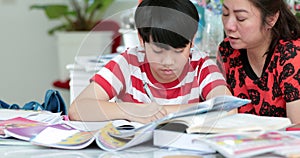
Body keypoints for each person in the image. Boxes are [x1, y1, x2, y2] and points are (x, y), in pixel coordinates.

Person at [68, 0, 232, 123]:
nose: (168, 61)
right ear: (141, 39)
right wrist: (130, 110)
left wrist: (156, 112)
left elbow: (229, 109)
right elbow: (77, 109)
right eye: (158, 51)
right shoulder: (128, 63)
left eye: (178, 51)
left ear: (192, 40)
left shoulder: (201, 65)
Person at [217, 0, 300, 123]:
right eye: (225, 14)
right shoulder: (227, 51)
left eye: (241, 18)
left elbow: (297, 130)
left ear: (271, 19)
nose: (229, 26)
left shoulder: (291, 54)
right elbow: (219, 112)